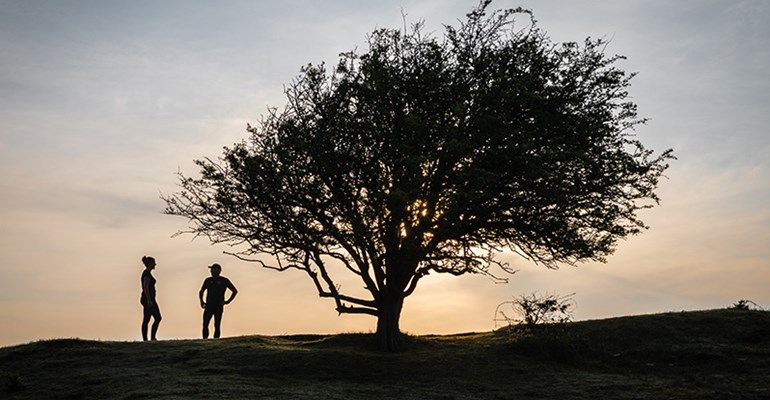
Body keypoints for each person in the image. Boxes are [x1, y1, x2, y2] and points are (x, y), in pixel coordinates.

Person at [199, 263, 238, 339]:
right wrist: (202, 301)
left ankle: (216, 340)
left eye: (213, 270)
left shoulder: (224, 280)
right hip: (209, 305)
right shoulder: (208, 280)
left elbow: (234, 291)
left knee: (217, 324)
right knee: (205, 324)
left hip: (218, 305)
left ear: (218, 271)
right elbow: (201, 291)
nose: (211, 271)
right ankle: (205, 340)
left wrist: (227, 301)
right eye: (211, 270)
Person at [140, 255, 162, 341]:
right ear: (149, 264)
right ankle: (149, 338)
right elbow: (146, 287)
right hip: (148, 299)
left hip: (150, 299)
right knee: (156, 318)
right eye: (153, 263)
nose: (155, 265)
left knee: (149, 318)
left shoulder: (148, 273)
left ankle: (151, 338)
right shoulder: (146, 274)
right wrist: (149, 300)